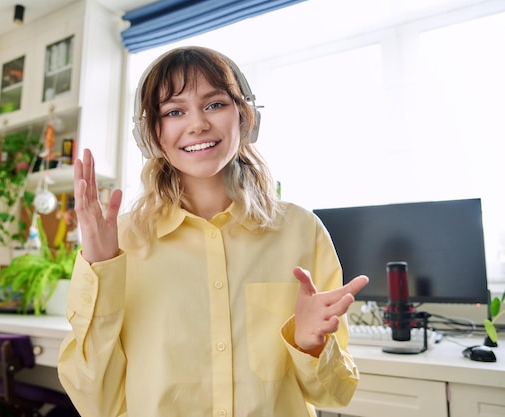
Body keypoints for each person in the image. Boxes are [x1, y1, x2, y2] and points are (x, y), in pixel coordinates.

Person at [57, 46, 369, 417]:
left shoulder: (302, 231)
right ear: (151, 134)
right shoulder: (121, 243)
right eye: (174, 111)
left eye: (214, 104)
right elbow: (96, 401)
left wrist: (310, 345)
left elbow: (335, 394)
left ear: (245, 116)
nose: (197, 125)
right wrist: (99, 266)